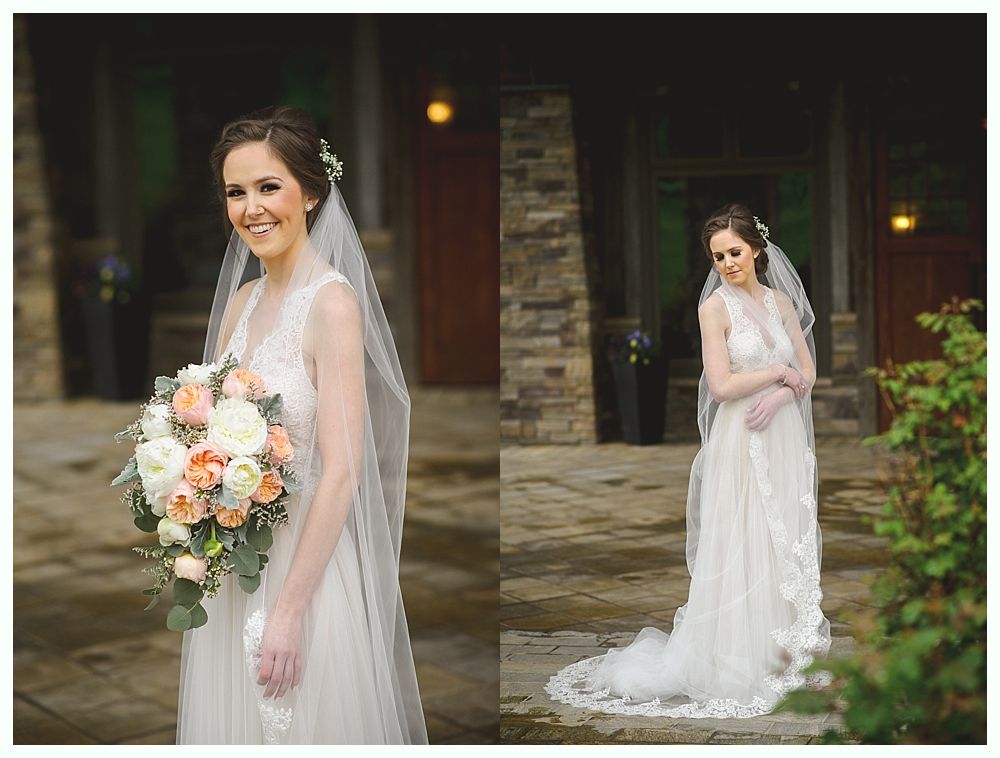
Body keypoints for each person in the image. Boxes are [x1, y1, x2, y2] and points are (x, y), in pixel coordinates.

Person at [175, 105, 427, 744]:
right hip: (238, 557)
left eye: (269, 187)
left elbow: (342, 473)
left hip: (302, 569)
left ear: (311, 192)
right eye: (236, 192)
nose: (252, 208)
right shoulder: (241, 301)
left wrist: (287, 612)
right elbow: (203, 434)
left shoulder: (333, 305)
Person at [546, 203, 831, 719]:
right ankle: (732, 658)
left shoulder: (783, 301)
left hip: (781, 432)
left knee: (779, 536)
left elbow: (808, 370)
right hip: (741, 437)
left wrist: (786, 394)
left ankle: (779, 653)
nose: (727, 263)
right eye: (718, 256)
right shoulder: (714, 310)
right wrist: (777, 376)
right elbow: (721, 386)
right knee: (740, 536)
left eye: (735, 252)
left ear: (758, 250)